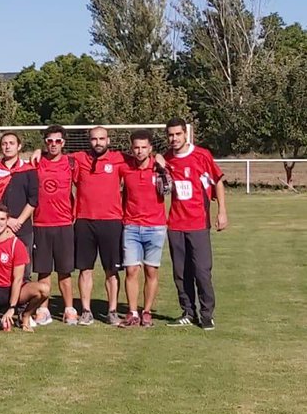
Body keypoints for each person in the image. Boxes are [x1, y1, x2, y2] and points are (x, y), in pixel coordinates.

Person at [155, 117, 227, 330]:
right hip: (175, 224)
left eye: (178, 134)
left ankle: (207, 314)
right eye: (170, 135)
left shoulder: (202, 155)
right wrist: (158, 161)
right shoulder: (167, 158)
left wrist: (222, 211)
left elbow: (218, 181)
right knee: (180, 272)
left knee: (202, 271)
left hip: (198, 224)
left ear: (185, 134)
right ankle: (187, 311)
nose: (174, 138)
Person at [72, 126, 125, 326]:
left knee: (112, 270)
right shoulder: (78, 159)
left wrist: (159, 159)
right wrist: (37, 151)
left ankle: (112, 311)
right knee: (85, 269)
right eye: (94, 139)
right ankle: (86, 311)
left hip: (111, 222)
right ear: (89, 141)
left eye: (102, 138)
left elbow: (145, 158)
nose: (98, 142)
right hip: (84, 221)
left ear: (108, 140)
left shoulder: (120, 159)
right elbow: (51, 155)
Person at [118, 130, 171, 327]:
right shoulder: (125, 168)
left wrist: (161, 162)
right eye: (136, 147)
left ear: (150, 148)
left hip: (155, 227)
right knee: (131, 270)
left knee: (151, 271)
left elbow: (170, 185)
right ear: (131, 149)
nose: (139, 151)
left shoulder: (160, 168)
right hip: (131, 227)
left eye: (143, 147)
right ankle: (132, 312)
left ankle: (147, 311)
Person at [31, 126, 78, 324]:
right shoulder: (37, 162)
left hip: (64, 223)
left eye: (57, 141)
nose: (53, 145)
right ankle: (43, 309)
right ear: (45, 142)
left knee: (64, 270)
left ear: (63, 143)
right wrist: (37, 152)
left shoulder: (71, 163)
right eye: (49, 141)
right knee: (43, 270)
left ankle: (69, 309)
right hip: (41, 223)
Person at [0, 131, 37, 272]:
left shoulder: (29, 170)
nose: (8, 146)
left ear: (19, 146)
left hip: (22, 228)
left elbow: (33, 199)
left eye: (11, 143)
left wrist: (18, 222)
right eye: (4, 144)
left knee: (24, 272)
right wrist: (7, 220)